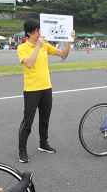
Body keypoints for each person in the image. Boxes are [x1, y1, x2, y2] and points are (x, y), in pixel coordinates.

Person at [17, 18, 76, 163]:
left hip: (46, 87)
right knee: (28, 121)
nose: (39, 33)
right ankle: (22, 150)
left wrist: (69, 41)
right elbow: (29, 64)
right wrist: (38, 46)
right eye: (36, 31)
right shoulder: (23, 48)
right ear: (29, 33)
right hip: (31, 89)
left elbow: (64, 54)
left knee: (45, 118)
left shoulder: (45, 45)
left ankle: (43, 143)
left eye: (40, 30)